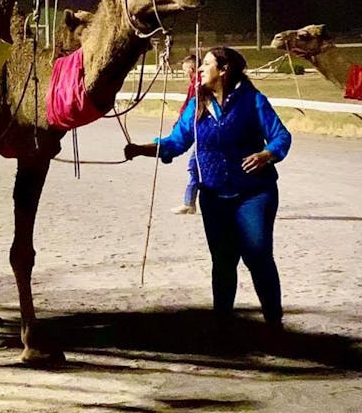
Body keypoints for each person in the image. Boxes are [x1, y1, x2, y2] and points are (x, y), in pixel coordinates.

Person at [124, 47, 292, 326]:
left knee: (257, 255)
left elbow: (281, 137)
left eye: (206, 64)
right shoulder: (196, 106)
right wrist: (141, 149)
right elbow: (175, 142)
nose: (199, 70)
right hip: (213, 196)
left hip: (254, 193)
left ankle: (274, 322)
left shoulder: (253, 101)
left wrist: (266, 155)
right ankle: (223, 325)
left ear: (223, 70)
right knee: (223, 262)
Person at [171, 54, 199, 215]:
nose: (186, 74)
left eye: (186, 70)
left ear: (192, 69)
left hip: (204, 131)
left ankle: (189, 203)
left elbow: (191, 109)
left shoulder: (199, 86)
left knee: (195, 166)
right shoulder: (194, 85)